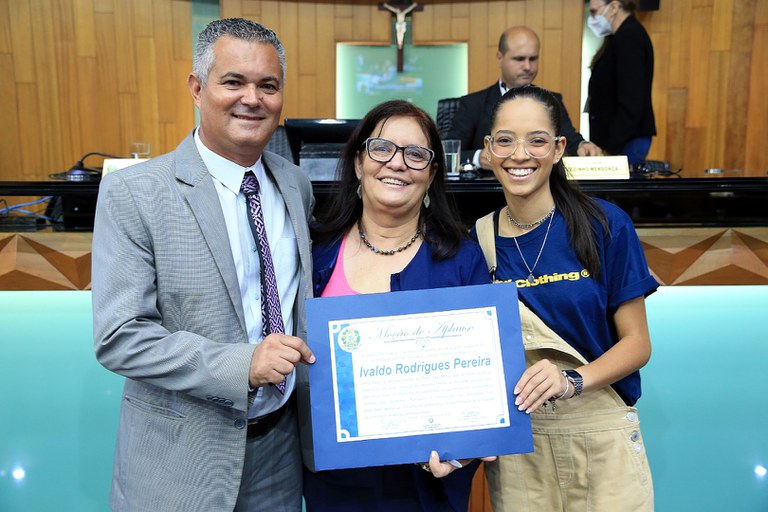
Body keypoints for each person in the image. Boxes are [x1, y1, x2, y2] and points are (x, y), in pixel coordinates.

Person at [92, 18, 315, 511]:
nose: (252, 99)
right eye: (233, 82)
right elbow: (120, 337)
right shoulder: (134, 193)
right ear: (197, 88)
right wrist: (244, 364)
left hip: (279, 456)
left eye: (268, 86)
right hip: (180, 462)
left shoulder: (295, 185)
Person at [300, 99, 493, 511]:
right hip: (335, 481)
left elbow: (484, 380)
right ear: (358, 163)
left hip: (425, 485)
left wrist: (465, 449)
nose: (397, 163)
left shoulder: (462, 260)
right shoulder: (315, 252)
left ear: (432, 173)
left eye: (416, 154)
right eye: (382, 148)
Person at [472, 85, 657, 510]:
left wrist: (571, 380)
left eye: (536, 141)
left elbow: (637, 343)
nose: (519, 155)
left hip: (602, 439)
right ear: (489, 149)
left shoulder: (605, 225)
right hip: (522, 451)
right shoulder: (478, 241)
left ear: (558, 149)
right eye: (505, 140)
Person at [446, 26, 602, 169]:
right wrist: (477, 157)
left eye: (533, 59)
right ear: (500, 58)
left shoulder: (552, 101)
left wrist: (583, 145)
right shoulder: (472, 104)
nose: (528, 67)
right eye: (519, 59)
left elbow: (571, 140)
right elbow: (447, 152)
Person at [587, 0, 656, 164]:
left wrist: (610, 148)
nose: (592, 18)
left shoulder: (630, 37)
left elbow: (632, 100)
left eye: (594, 11)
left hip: (625, 142)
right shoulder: (616, 38)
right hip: (618, 140)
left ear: (614, 7)